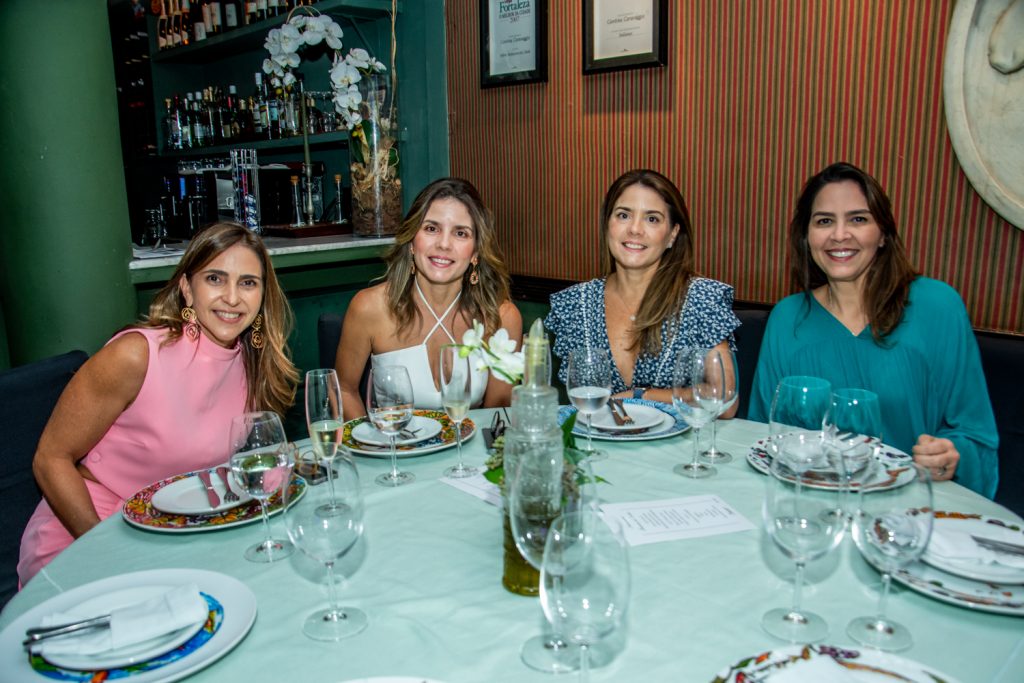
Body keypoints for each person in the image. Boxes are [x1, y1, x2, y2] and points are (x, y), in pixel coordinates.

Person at [18, 222, 300, 583]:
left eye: (248, 282)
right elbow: (49, 459)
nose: (232, 297)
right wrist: (102, 548)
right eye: (215, 279)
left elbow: (239, 466)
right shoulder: (136, 355)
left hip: (174, 534)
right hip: (89, 532)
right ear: (186, 288)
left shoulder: (254, 363)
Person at [749, 162, 998, 497]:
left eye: (858, 219)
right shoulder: (786, 318)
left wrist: (951, 454)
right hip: (810, 509)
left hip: (913, 512)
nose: (839, 235)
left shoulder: (937, 306)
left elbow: (975, 434)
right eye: (824, 221)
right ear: (806, 237)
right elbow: (761, 437)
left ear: (883, 233)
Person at [545, 169, 740, 408]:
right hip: (597, 442)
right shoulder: (574, 305)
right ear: (608, 224)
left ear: (672, 234)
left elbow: (724, 398)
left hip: (679, 444)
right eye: (624, 215)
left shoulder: (702, 299)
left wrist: (639, 396)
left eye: (652, 219)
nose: (635, 229)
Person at [336, 177, 522, 418]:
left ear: (475, 251)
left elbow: (496, 415)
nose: (444, 244)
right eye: (431, 228)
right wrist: (368, 447)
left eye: (460, 233)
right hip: (393, 449)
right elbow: (344, 389)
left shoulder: (502, 318)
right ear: (412, 240)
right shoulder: (369, 308)